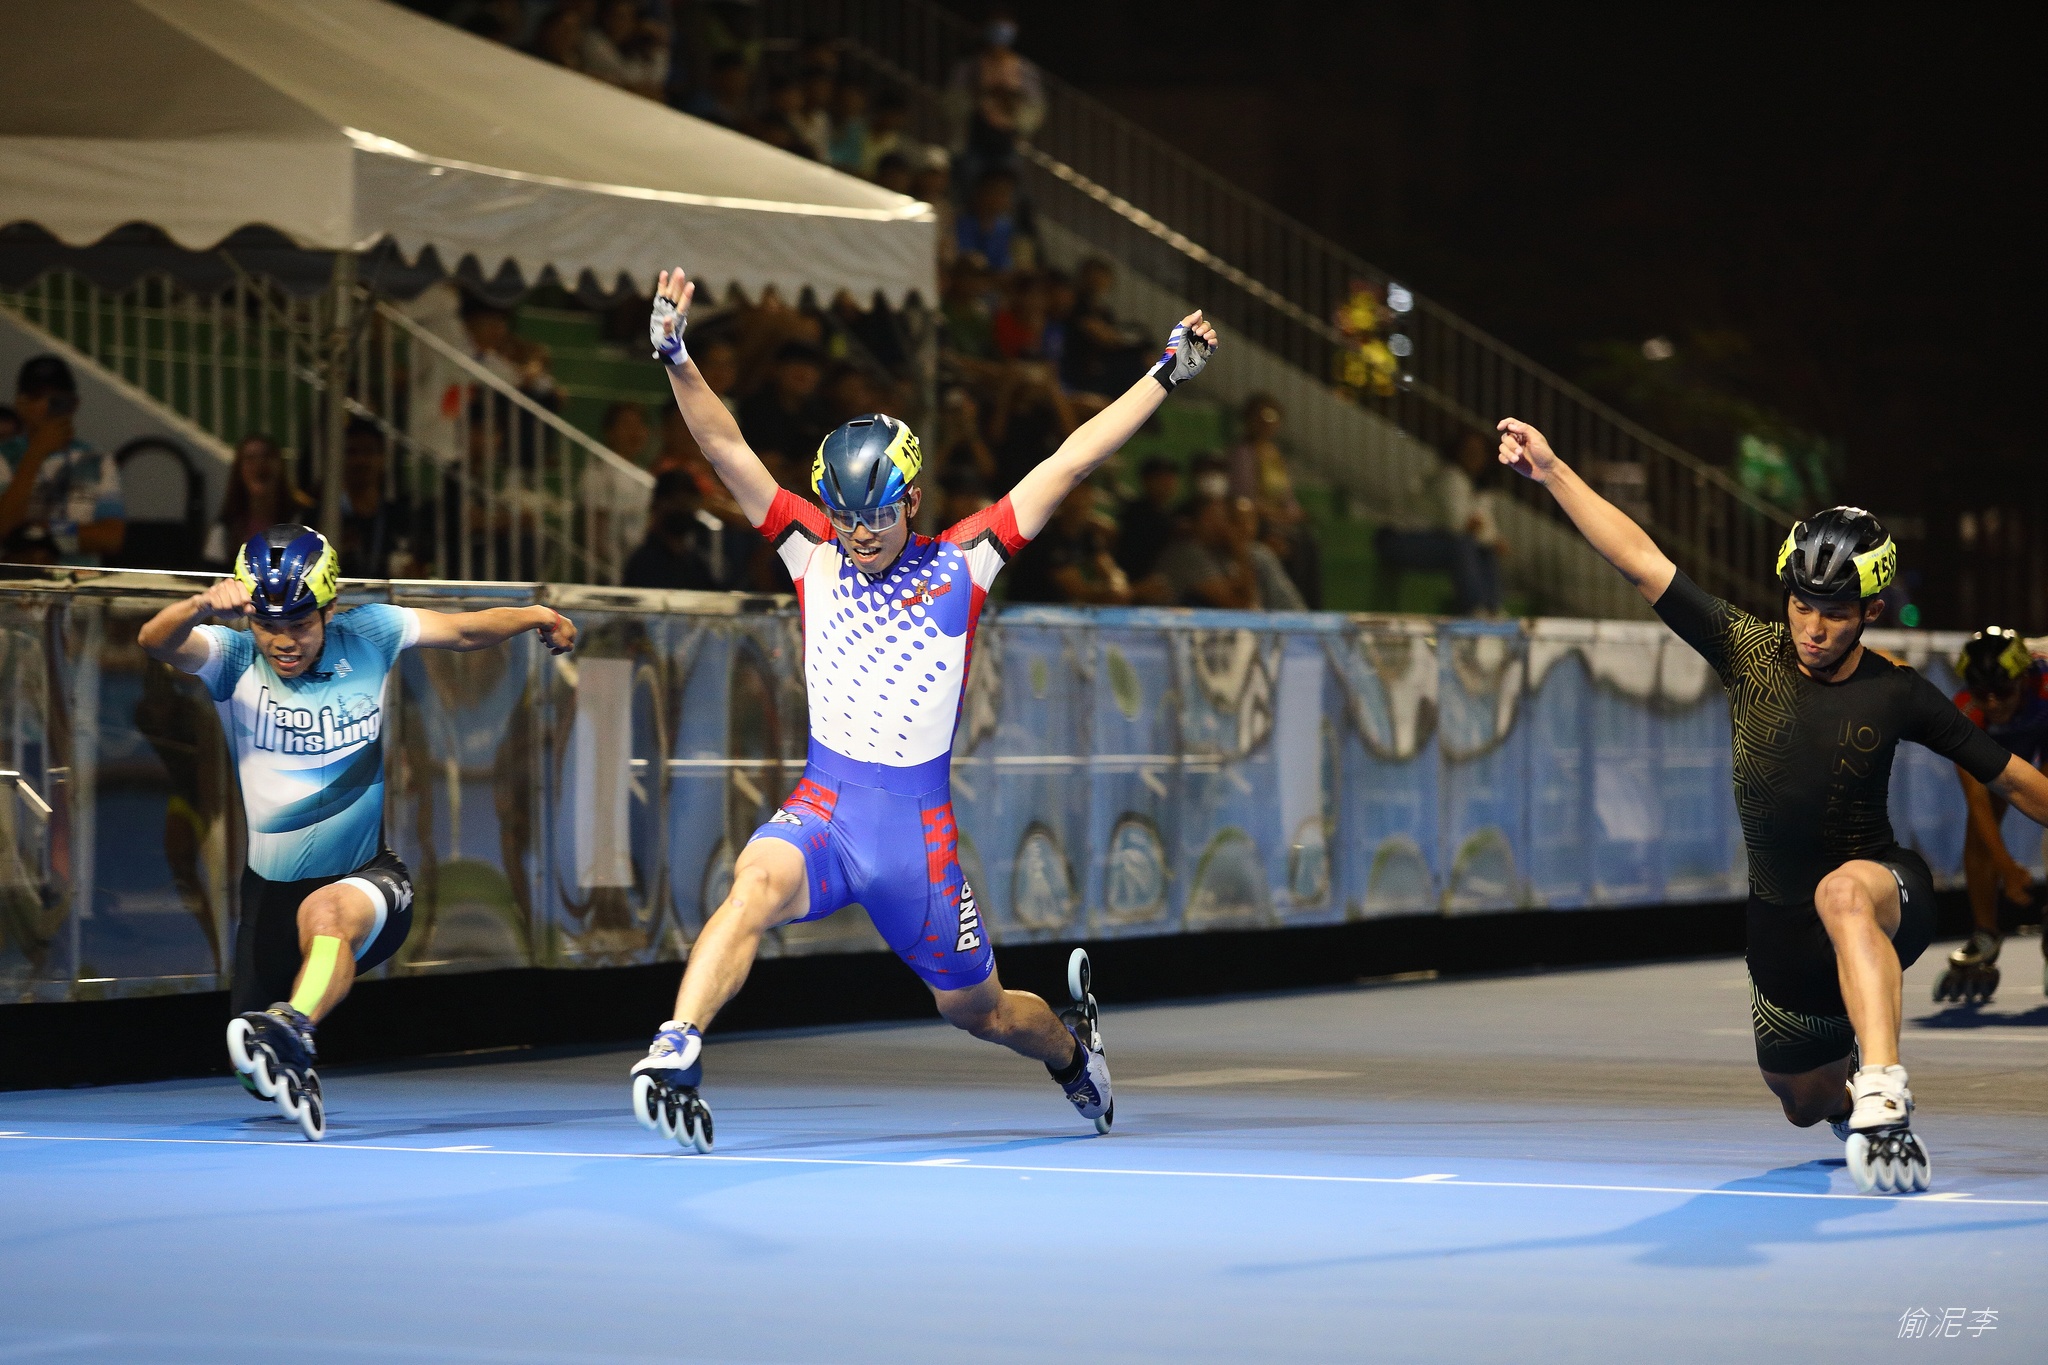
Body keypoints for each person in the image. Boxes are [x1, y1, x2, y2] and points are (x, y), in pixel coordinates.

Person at [633, 264, 1217, 1150]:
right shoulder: (811, 548)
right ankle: (677, 1045)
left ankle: (1072, 1049)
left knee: (979, 1010)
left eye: (875, 516)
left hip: (917, 838)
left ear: (911, 499)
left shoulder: (964, 561)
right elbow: (725, 448)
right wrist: (677, 356)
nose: (858, 535)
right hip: (824, 807)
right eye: (844, 517)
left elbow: (1071, 459)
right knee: (751, 886)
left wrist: (1164, 374)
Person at [1498, 417, 2048, 1195]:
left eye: (1835, 611)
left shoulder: (1897, 692)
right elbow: (1640, 559)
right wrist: (1552, 470)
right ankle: (1849, 1099)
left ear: (1872, 610)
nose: (1813, 628)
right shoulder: (1747, 651)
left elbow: (2015, 780)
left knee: (1841, 893)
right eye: (1801, 604)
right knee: (1801, 1099)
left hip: (1882, 889)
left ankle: (1884, 1091)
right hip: (1780, 928)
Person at [137, 525, 577, 1139]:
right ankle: (284, 1044)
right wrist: (200, 605)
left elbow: (464, 631)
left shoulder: (370, 634)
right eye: (267, 624)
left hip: (367, 876)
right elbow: (155, 642)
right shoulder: (232, 657)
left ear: (330, 608)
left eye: (300, 623)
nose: (283, 641)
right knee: (251, 1069)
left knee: (326, 916)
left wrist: (537, 614)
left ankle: (295, 1028)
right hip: (269, 895)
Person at [1934, 627, 2048, 1004]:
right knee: (1978, 833)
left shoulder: (2044, 686)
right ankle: (1985, 932)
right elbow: (1978, 802)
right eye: (1983, 694)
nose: (1994, 703)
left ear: (2023, 679)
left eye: (2003, 691)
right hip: (1997, 747)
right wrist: (2006, 867)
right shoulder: (1965, 711)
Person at [0, 356, 125, 566]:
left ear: (74, 403)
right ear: (21, 404)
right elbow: (3, 526)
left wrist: (45, 531)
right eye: (37, 396)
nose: (47, 405)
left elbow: (111, 538)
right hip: (14, 581)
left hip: (79, 579)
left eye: (58, 398)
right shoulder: (4, 455)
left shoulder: (96, 460)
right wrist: (36, 454)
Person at [1375, 430, 1506, 615]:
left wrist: (1489, 538)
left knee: (1483, 550)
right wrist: (1484, 534)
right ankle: (1474, 609)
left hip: (1429, 540)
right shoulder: (1450, 478)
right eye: (1469, 451)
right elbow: (1458, 526)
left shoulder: (1473, 484)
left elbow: (1480, 527)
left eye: (1479, 453)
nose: (1475, 457)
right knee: (1462, 546)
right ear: (1457, 451)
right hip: (1397, 540)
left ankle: (1492, 609)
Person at [203, 434, 315, 569]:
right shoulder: (223, 530)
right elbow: (212, 574)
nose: (259, 465)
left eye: (267, 456)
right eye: (250, 459)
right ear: (239, 471)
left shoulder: (306, 520)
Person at [337, 419, 416, 579]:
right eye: (352, 452)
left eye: (368, 451)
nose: (361, 460)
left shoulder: (400, 518)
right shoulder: (323, 517)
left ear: (383, 459)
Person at [623, 471, 718, 590]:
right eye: (677, 502)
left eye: (688, 503)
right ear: (657, 505)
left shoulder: (696, 564)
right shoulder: (644, 563)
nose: (684, 510)